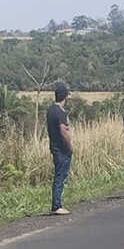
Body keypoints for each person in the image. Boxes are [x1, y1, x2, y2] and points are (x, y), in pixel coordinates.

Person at [47, 82, 73, 215]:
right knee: (61, 176)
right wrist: (70, 146)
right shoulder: (60, 112)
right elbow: (63, 131)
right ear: (64, 96)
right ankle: (57, 205)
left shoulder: (51, 109)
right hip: (62, 148)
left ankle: (57, 203)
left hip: (54, 146)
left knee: (59, 175)